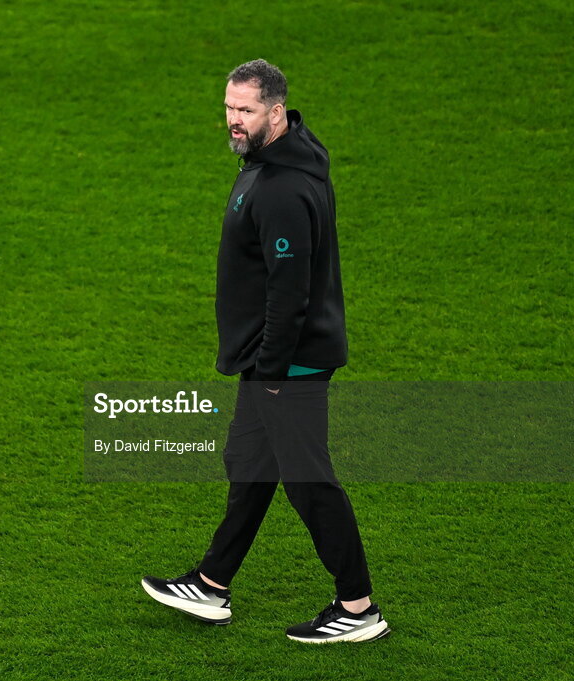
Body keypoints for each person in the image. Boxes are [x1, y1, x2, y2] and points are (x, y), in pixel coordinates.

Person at [140, 59, 390, 644]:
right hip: (269, 356)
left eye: (245, 111)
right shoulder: (273, 159)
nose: (233, 121)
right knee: (249, 464)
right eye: (229, 108)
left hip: (289, 361)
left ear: (275, 112)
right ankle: (211, 584)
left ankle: (358, 610)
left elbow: (290, 289)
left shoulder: (282, 189)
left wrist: (273, 371)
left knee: (307, 481)